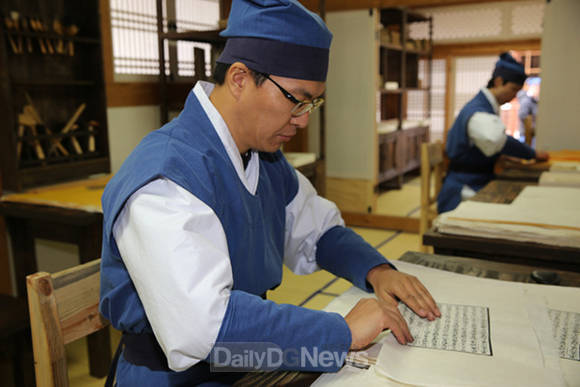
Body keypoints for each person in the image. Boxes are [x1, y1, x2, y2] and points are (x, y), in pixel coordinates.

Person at [99, 1, 441, 385]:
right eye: (295, 98)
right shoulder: (166, 177)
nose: (303, 118)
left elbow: (316, 230)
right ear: (241, 79)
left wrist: (376, 271)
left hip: (244, 358)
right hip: (175, 376)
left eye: (313, 101)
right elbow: (203, 328)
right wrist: (340, 332)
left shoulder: (263, 158)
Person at [437, 52, 549, 214]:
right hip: (464, 189)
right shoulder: (478, 111)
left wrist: (502, 156)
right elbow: (498, 139)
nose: (514, 96)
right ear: (498, 82)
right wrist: (531, 153)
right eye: (513, 89)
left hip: (477, 180)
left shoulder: (484, 106)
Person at [517, 77, 540, 146]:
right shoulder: (526, 101)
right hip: (527, 136)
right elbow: (523, 116)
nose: (538, 89)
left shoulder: (534, 101)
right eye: (537, 86)